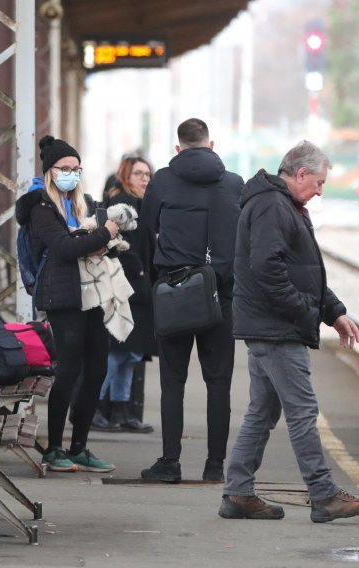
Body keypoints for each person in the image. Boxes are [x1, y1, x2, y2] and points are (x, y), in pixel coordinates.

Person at [218, 141, 359, 523]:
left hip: (270, 325)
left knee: (262, 412)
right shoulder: (274, 206)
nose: (321, 190)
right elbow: (268, 269)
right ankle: (324, 494)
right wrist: (304, 311)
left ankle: (238, 492)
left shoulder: (282, 204)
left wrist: (334, 312)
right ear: (301, 173)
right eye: (319, 182)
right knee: (303, 411)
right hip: (276, 329)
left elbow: (303, 269)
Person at [139, 118, 243, 483]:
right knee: (219, 383)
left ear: (178, 147)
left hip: (174, 292)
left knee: (173, 382)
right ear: (211, 145)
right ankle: (216, 467)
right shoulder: (233, 183)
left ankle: (170, 462)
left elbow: (146, 229)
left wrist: (161, 276)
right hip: (220, 295)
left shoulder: (163, 181)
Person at [14, 135, 120, 472]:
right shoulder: (40, 207)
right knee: (69, 369)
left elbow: (93, 245)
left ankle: (79, 447)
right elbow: (64, 248)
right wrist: (105, 233)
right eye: (64, 168)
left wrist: (103, 238)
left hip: (93, 293)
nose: (71, 173)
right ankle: (54, 448)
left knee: (97, 369)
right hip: (61, 295)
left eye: (76, 168)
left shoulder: (84, 204)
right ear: (50, 171)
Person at [91, 156, 157, 434]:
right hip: (126, 287)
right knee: (119, 353)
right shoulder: (124, 205)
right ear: (126, 175)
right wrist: (139, 269)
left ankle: (122, 408)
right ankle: (97, 407)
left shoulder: (143, 204)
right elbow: (116, 245)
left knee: (130, 354)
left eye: (147, 174)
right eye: (138, 173)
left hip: (139, 288)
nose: (144, 178)